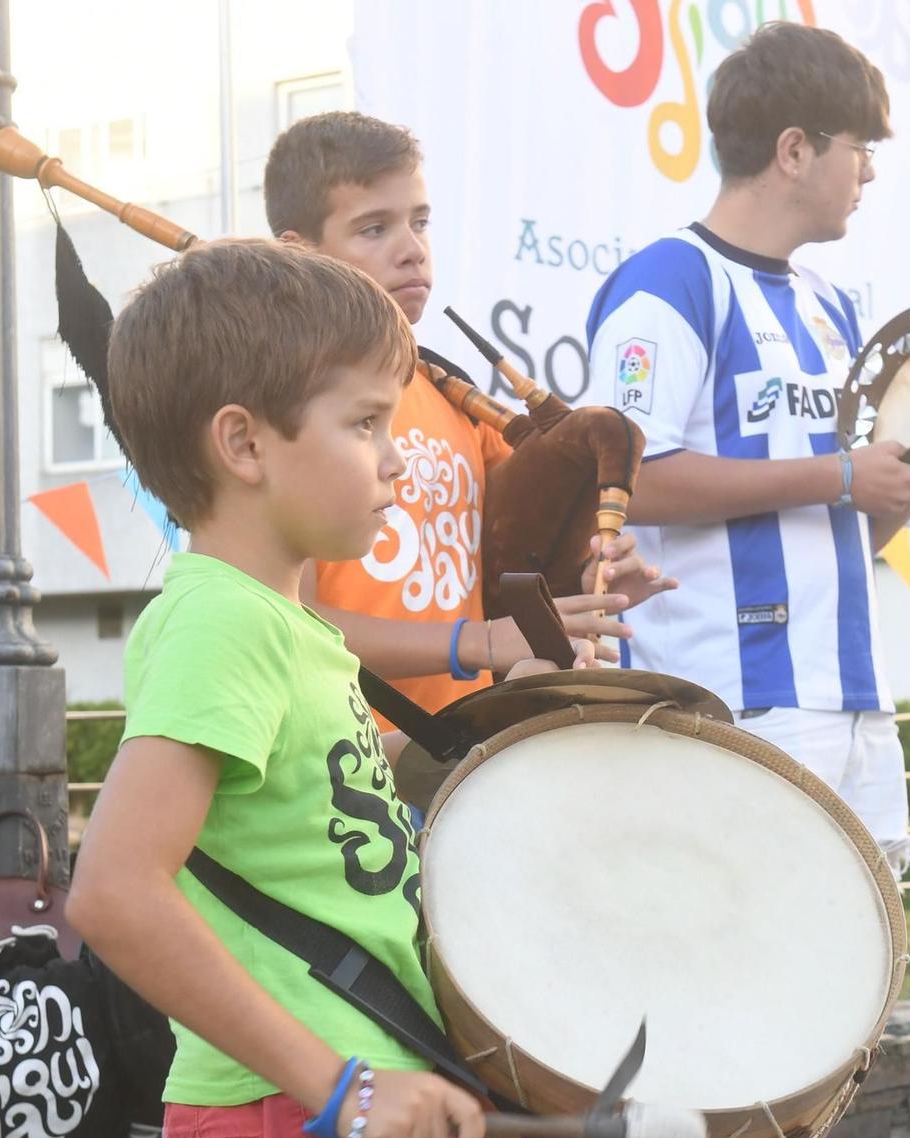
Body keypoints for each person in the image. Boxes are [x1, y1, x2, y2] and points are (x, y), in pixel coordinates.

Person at [585, 23, 910, 1138]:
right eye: (858, 150)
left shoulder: (831, 308)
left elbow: (845, 522)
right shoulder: (667, 283)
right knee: (697, 1028)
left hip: (847, 707)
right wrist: (838, 473)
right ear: (793, 148)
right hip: (725, 709)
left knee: (824, 1025)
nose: (869, 174)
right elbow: (627, 477)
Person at [68, 239, 580, 1138]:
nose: (395, 461)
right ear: (244, 443)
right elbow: (114, 891)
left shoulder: (286, 625)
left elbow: (318, 807)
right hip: (304, 1122)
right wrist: (337, 1084)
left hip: (333, 1111)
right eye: (364, 424)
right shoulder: (222, 622)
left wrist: (514, 709)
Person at [265, 112, 674, 713]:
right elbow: (284, 623)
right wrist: (477, 643)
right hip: (343, 753)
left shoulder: (454, 401)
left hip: (464, 747)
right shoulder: (282, 399)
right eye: (374, 229)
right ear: (298, 252)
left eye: (420, 222)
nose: (412, 251)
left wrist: (583, 582)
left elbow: (509, 568)